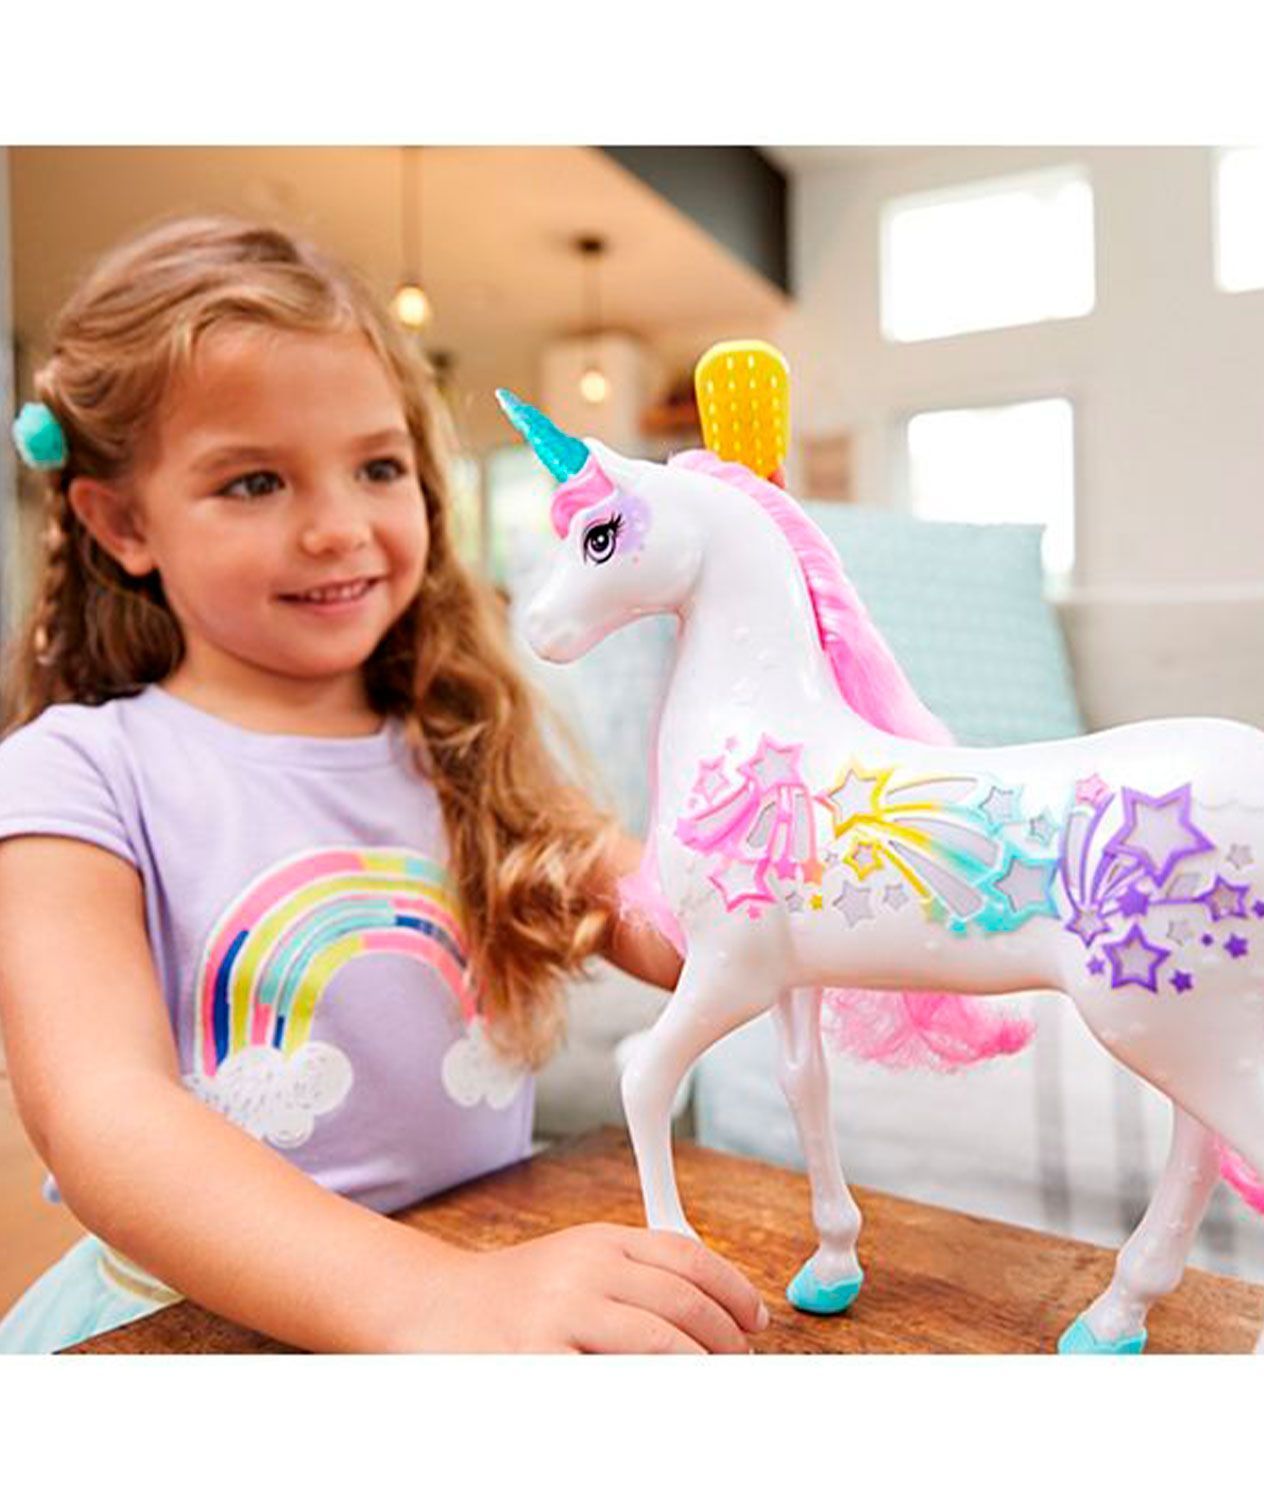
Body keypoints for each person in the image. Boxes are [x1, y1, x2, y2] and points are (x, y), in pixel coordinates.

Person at [0, 216, 767, 1354]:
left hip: (471, 1285)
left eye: (378, 467)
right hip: (197, 1331)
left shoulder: (462, 743)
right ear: (121, 523)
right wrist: (429, 1298)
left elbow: (677, 922)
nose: (339, 528)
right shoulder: (73, 774)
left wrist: (816, 876)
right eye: (255, 481)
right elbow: (104, 1117)